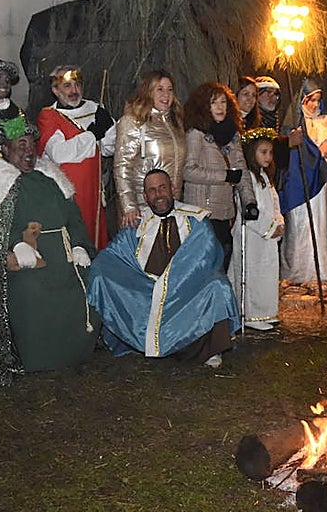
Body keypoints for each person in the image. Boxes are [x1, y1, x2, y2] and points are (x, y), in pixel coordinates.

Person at [0, 115, 98, 383]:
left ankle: (75, 351)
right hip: (25, 260)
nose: (28, 150)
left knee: (89, 283)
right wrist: (15, 246)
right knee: (31, 289)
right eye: (20, 144)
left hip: (64, 254)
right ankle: (37, 357)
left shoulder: (50, 177)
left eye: (30, 144)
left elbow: (74, 217)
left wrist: (81, 245)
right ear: (5, 149)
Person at [88, 169, 239, 367]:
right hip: (148, 291)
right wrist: (97, 267)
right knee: (103, 276)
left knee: (218, 286)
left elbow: (206, 256)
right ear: (145, 196)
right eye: (152, 190)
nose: (158, 194)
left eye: (162, 188)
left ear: (173, 189)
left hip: (188, 291)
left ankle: (207, 349)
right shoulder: (139, 225)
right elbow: (113, 256)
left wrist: (171, 286)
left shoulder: (196, 220)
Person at [278, 77, 327, 301]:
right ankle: (295, 272)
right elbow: (289, 153)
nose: (314, 105)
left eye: (318, 100)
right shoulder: (294, 124)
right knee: (299, 227)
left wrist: (326, 151)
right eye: (310, 100)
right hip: (299, 185)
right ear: (301, 100)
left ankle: (316, 272)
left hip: (320, 183)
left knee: (320, 225)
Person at [36, 65, 116, 249]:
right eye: (67, 86)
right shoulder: (49, 116)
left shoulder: (94, 108)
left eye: (77, 84)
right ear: (55, 90)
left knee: (94, 240)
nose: (74, 91)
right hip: (66, 194)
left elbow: (109, 147)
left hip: (92, 190)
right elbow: (60, 154)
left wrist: (109, 131)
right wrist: (93, 134)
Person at [182, 82, 258, 270]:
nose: (220, 107)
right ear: (204, 107)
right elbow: (188, 170)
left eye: (223, 102)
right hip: (202, 211)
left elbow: (241, 168)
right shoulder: (196, 134)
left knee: (223, 259)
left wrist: (250, 202)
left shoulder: (232, 135)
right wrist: (224, 176)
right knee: (205, 264)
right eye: (214, 103)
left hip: (225, 211)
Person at [113, 69, 186, 230]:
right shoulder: (133, 121)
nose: (166, 95)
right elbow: (122, 165)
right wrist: (129, 205)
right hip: (143, 206)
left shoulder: (176, 123)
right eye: (160, 89)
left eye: (170, 90)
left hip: (170, 205)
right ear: (148, 92)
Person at [228, 129, 284, 329]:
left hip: (266, 239)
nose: (268, 157)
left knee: (266, 274)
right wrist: (269, 227)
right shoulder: (247, 179)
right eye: (263, 152)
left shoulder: (265, 177)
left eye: (270, 152)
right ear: (252, 153)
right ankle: (250, 314)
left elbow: (274, 202)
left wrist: (279, 222)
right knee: (251, 274)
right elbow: (249, 209)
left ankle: (265, 312)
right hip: (251, 236)